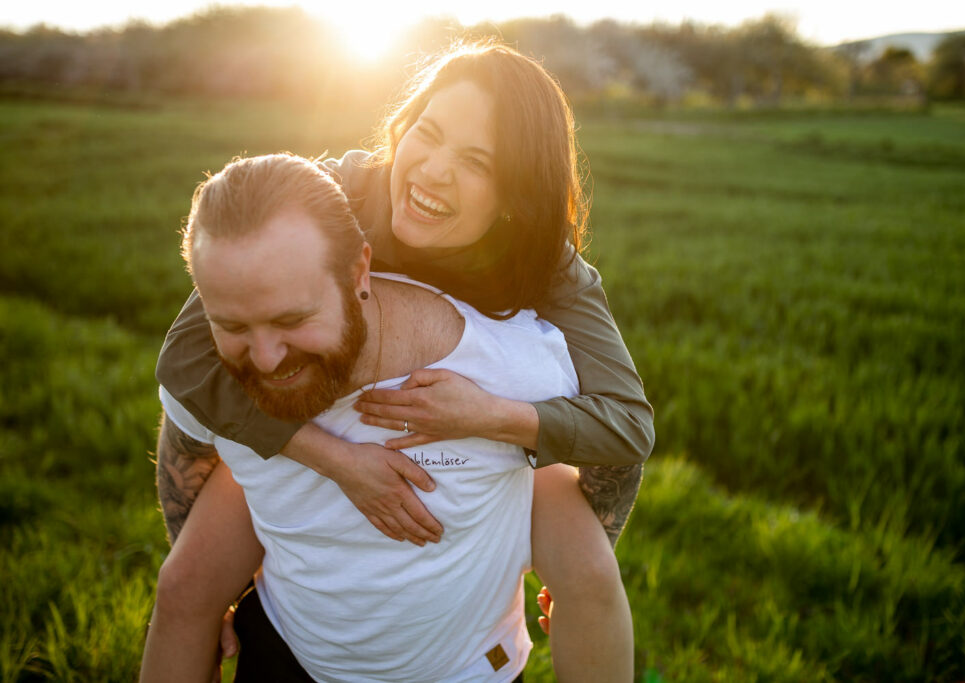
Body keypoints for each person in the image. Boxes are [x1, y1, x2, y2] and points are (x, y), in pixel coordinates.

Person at [151, 40, 651, 681]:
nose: (433, 171)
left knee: (586, 571)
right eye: (429, 132)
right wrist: (336, 461)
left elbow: (626, 425)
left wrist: (488, 415)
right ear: (402, 125)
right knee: (186, 582)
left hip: (479, 473)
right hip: (321, 428)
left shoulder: (545, 263)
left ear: (516, 193)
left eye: (476, 160)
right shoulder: (342, 195)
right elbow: (190, 355)